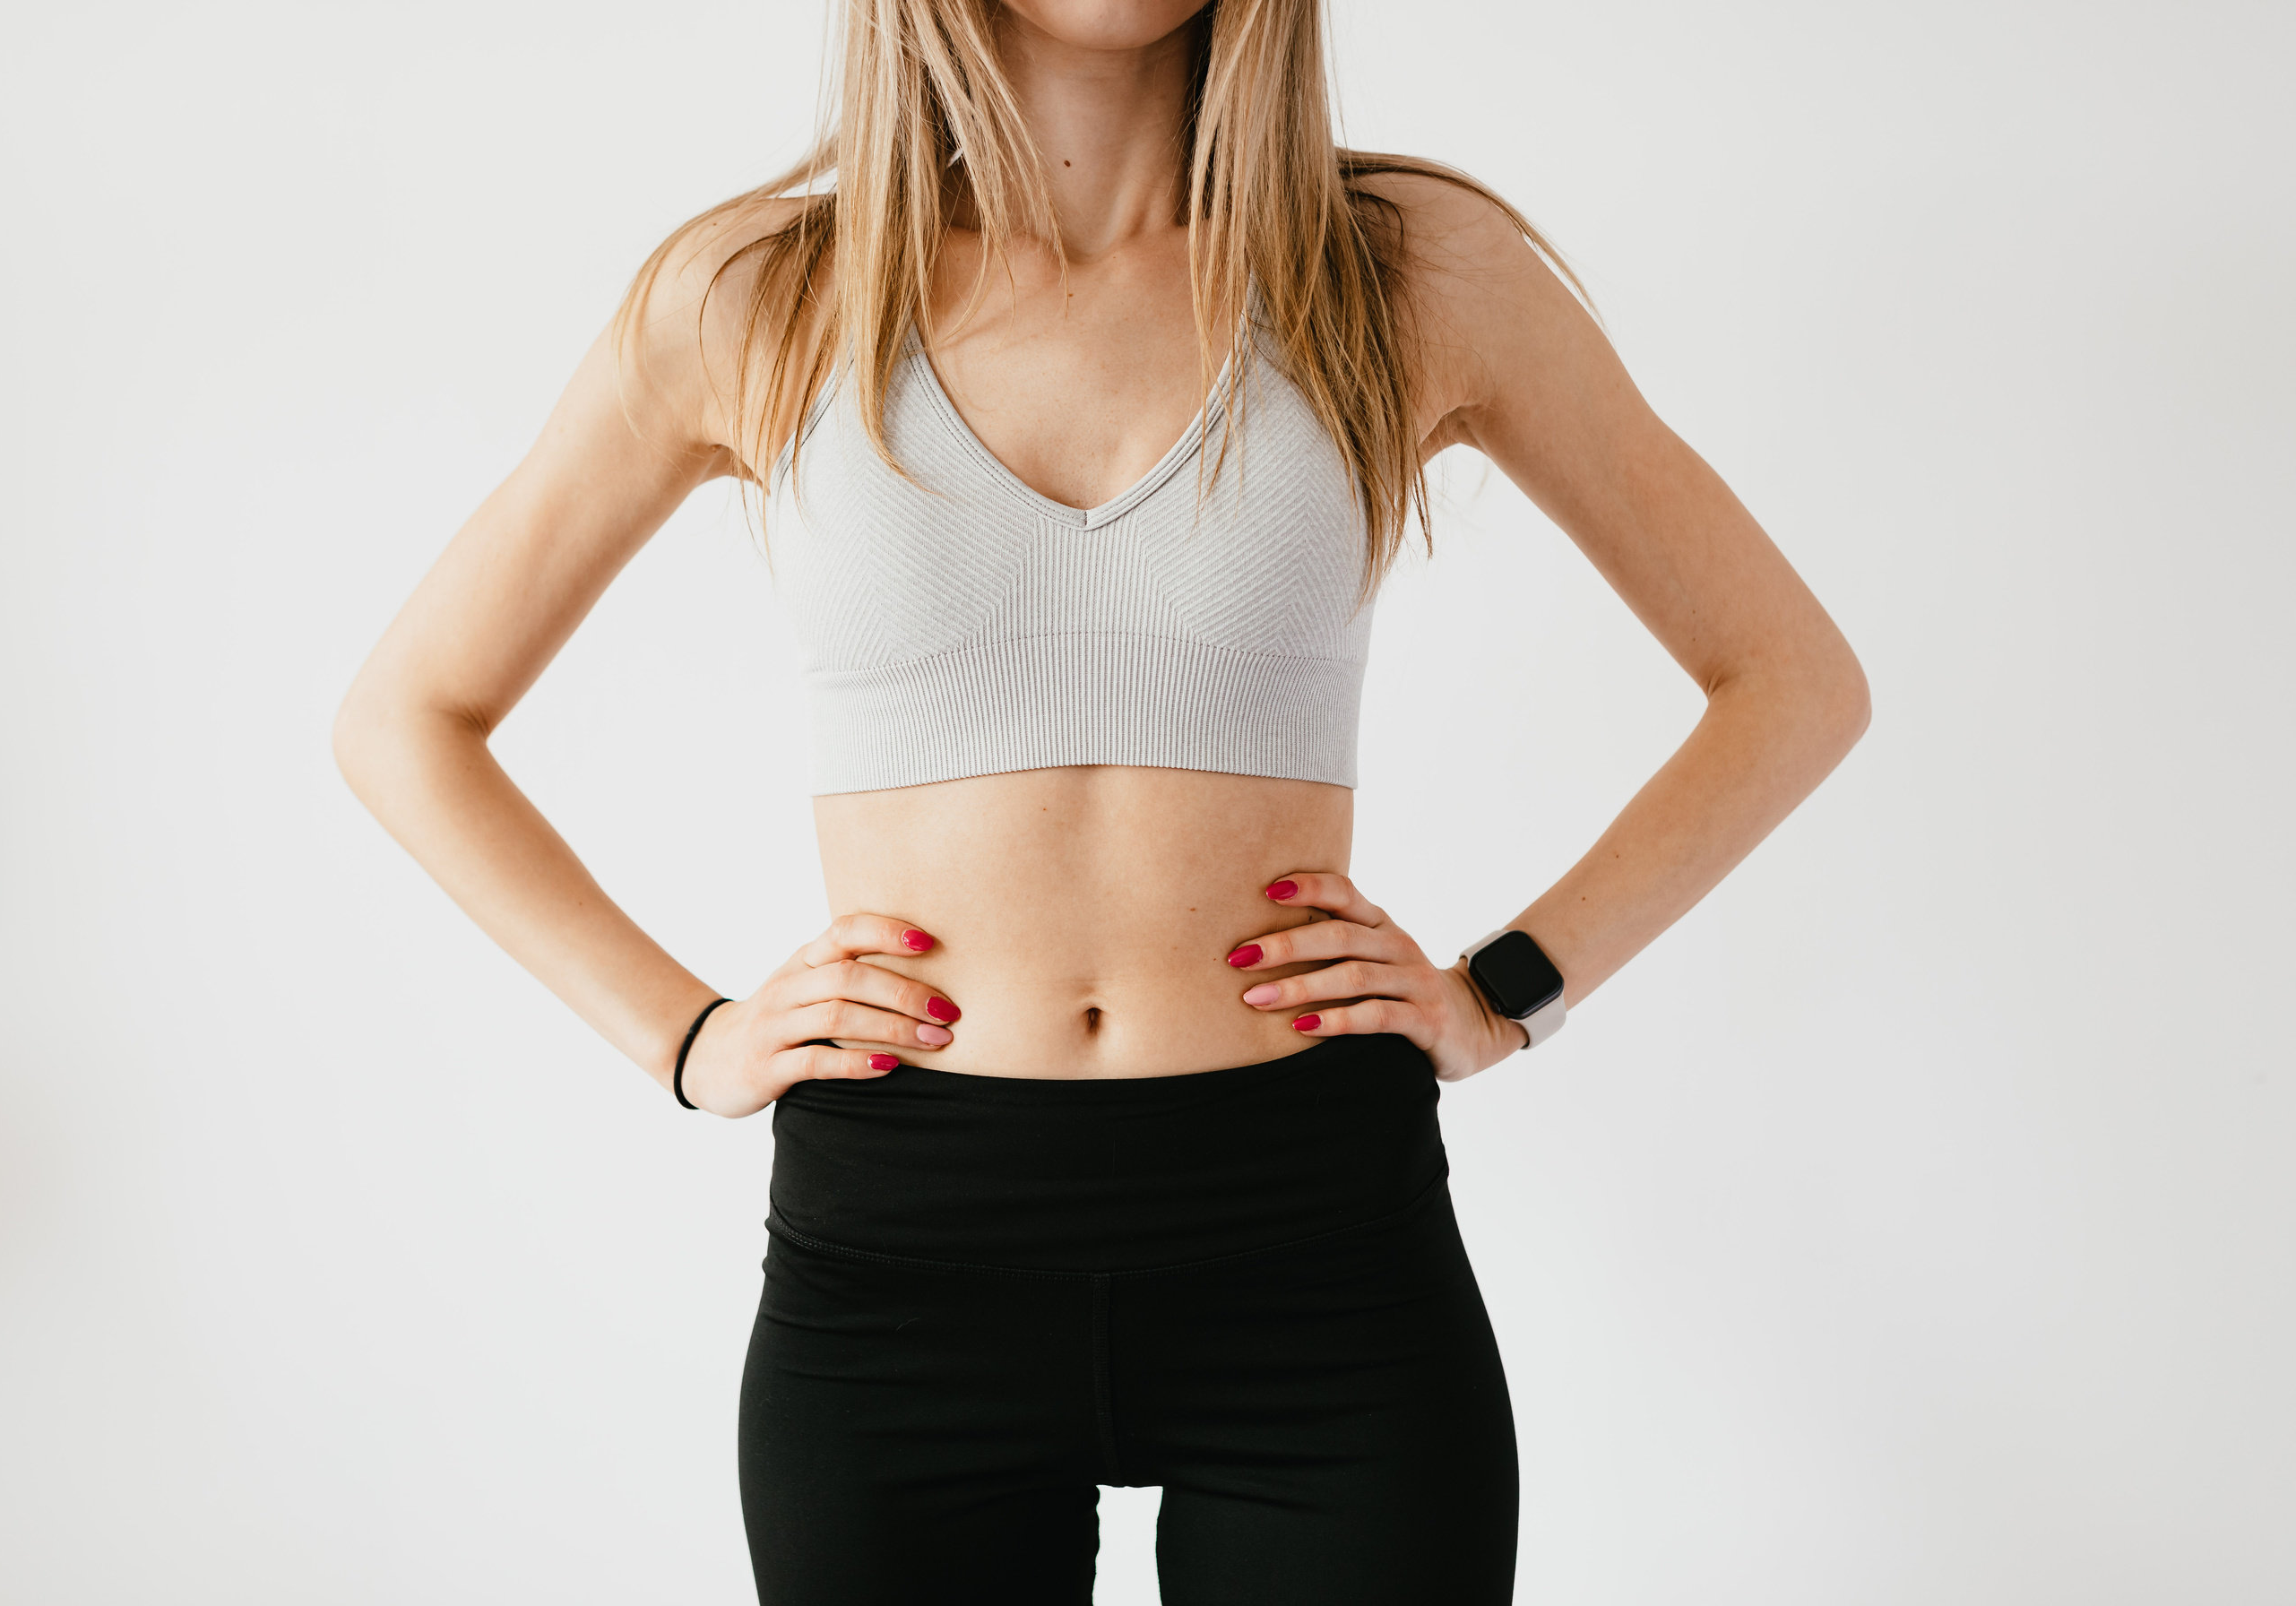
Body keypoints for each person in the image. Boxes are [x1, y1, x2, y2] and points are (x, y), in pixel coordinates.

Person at [333, 2, 1869, 1600]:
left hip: (1318, 1257)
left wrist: (1506, 994)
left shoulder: (1407, 268)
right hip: (903, 1269)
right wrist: (689, 1038)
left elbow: (1789, 679)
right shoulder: (758, 297)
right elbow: (409, 719)